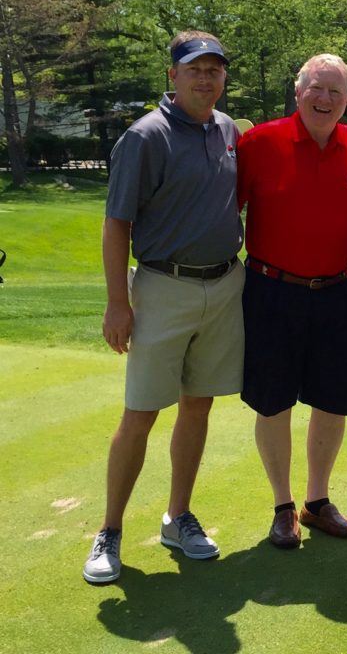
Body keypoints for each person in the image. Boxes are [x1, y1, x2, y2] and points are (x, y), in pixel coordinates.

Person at [84, 31, 243, 584]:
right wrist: (115, 303)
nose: (206, 78)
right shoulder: (144, 136)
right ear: (172, 76)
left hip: (223, 287)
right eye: (195, 69)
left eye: (215, 69)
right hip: (162, 287)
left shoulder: (227, 130)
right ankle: (110, 530)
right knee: (141, 413)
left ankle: (178, 516)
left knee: (197, 405)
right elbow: (116, 225)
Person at [236, 54, 347, 548]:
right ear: (298, 91)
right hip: (271, 291)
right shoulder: (259, 143)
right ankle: (282, 505)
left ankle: (316, 501)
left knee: (333, 402)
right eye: (317, 87)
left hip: (336, 293)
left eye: (336, 91)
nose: (325, 98)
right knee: (273, 403)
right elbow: (221, 211)